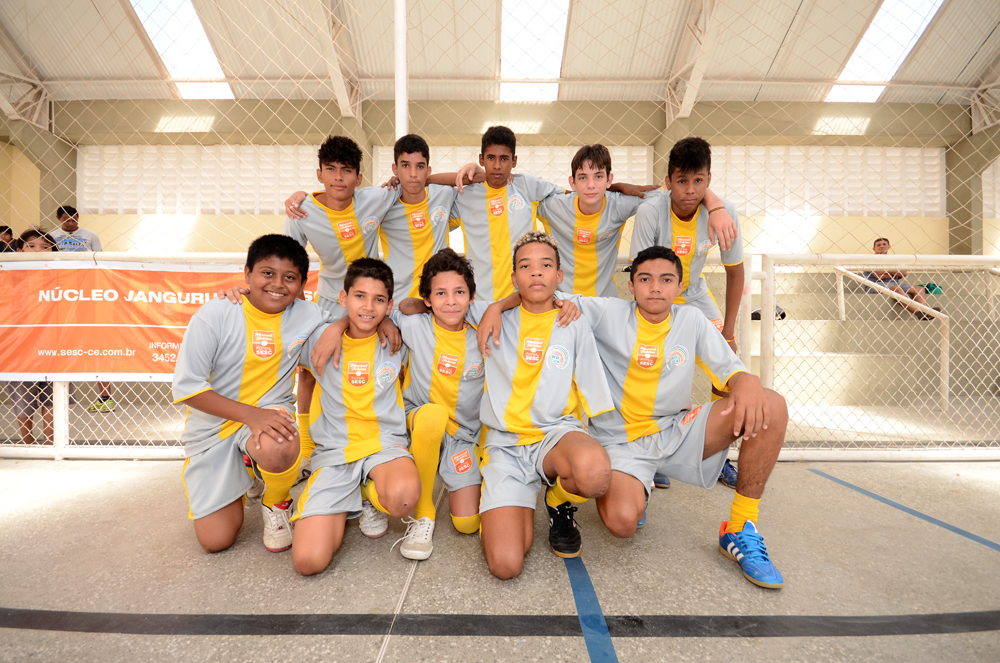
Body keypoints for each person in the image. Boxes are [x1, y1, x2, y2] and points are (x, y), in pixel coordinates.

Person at [484, 246, 788, 588]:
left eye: (666, 280)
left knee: (771, 405)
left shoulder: (691, 320)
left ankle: (740, 526)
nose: (655, 287)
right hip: (620, 444)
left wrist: (745, 379)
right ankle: (622, 487)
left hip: (676, 430)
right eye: (645, 279)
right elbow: (538, 290)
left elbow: (732, 372)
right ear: (631, 286)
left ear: (680, 285)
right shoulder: (605, 313)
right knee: (622, 522)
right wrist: (496, 306)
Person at [172, 234, 338, 554]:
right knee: (216, 541)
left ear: (302, 283)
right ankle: (251, 470)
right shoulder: (216, 313)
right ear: (247, 274)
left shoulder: (308, 315)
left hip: (269, 414)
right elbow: (188, 388)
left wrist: (377, 323)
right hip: (214, 428)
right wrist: (252, 415)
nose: (277, 284)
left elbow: (349, 325)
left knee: (278, 439)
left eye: (289, 277)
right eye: (267, 273)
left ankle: (276, 501)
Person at [476, 231, 614, 579]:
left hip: (555, 434)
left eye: (545, 265)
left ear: (559, 276)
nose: (536, 273)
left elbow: (593, 390)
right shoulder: (491, 317)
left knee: (596, 474)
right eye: (526, 266)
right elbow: (419, 304)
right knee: (506, 565)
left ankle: (556, 500)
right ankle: (507, 503)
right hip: (505, 444)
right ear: (513, 278)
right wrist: (496, 305)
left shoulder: (572, 320)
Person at [291, 258, 421, 576]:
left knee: (404, 500)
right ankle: (347, 493)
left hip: (383, 445)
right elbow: (276, 313)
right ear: (343, 298)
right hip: (334, 452)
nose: (368, 307)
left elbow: (424, 306)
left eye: (378, 300)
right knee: (308, 562)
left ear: (388, 305)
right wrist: (337, 325)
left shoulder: (397, 340)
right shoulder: (320, 339)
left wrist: (392, 320)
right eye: (360, 296)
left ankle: (367, 492)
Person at [629, 136, 744, 489]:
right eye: (681, 181)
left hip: (693, 296)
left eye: (698, 181)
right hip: (656, 297)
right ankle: (654, 452)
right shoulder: (651, 211)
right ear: (668, 182)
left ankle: (715, 453)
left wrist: (729, 330)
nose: (690, 190)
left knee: (726, 368)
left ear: (709, 181)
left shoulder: (723, 214)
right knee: (652, 369)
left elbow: (735, 272)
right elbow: (643, 274)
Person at [536, 143, 736, 298]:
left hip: (605, 303)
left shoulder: (619, 204)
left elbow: (677, 190)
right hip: (560, 301)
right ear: (572, 182)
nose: (590, 185)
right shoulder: (553, 205)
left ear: (609, 179)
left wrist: (715, 206)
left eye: (598, 177)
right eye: (582, 178)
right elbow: (525, 191)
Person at [284, 134, 464, 301]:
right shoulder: (298, 212)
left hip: (371, 299)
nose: (338, 177)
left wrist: (464, 170)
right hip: (329, 298)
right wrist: (301, 195)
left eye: (346, 170)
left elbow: (412, 183)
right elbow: (289, 267)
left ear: (358, 178)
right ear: (319, 174)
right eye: (331, 169)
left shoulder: (377, 199)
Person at [6, 230, 75, 443]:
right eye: (31, 246)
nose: (39, 251)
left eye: (46, 247)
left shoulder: (62, 277)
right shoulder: (8, 277)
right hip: (20, 348)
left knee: (53, 395)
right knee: (23, 395)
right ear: (19, 251)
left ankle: (50, 440)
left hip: (54, 343)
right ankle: (27, 441)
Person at [864, 238, 936, 319]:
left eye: (884, 244)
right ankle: (918, 312)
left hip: (894, 284)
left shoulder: (894, 259)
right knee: (896, 288)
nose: (882, 246)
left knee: (919, 289)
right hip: (875, 285)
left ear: (889, 247)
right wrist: (895, 272)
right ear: (874, 249)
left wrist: (886, 271)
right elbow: (879, 275)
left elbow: (904, 273)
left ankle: (924, 312)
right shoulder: (871, 259)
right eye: (879, 245)